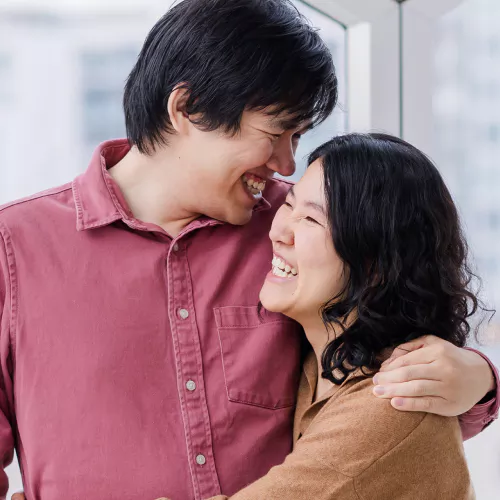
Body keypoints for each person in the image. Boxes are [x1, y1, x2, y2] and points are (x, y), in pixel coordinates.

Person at [2, 1, 498, 499]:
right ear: (185, 109)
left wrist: (480, 379)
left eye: (299, 136)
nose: (286, 163)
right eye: (275, 132)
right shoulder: (15, 248)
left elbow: (377, 394)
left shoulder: (302, 234)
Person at [165, 133, 481, 499]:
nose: (278, 232)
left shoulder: (390, 404)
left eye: (312, 221)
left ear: (375, 265)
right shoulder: (320, 368)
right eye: (288, 205)